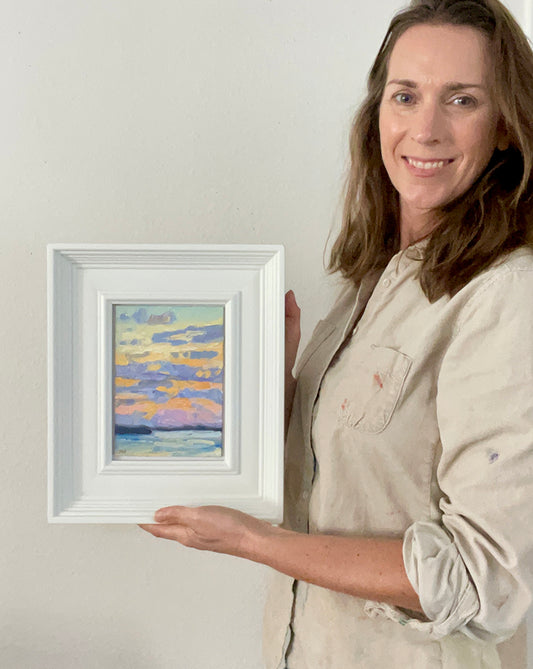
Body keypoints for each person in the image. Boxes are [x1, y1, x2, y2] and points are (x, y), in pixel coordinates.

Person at [140, 0, 533, 666]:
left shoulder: (503, 295)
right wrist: (277, 389)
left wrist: (254, 540)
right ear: (376, 111)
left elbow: (485, 579)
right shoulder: (370, 281)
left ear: (503, 127)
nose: (424, 128)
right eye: (404, 95)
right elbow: (345, 477)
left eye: (461, 99)